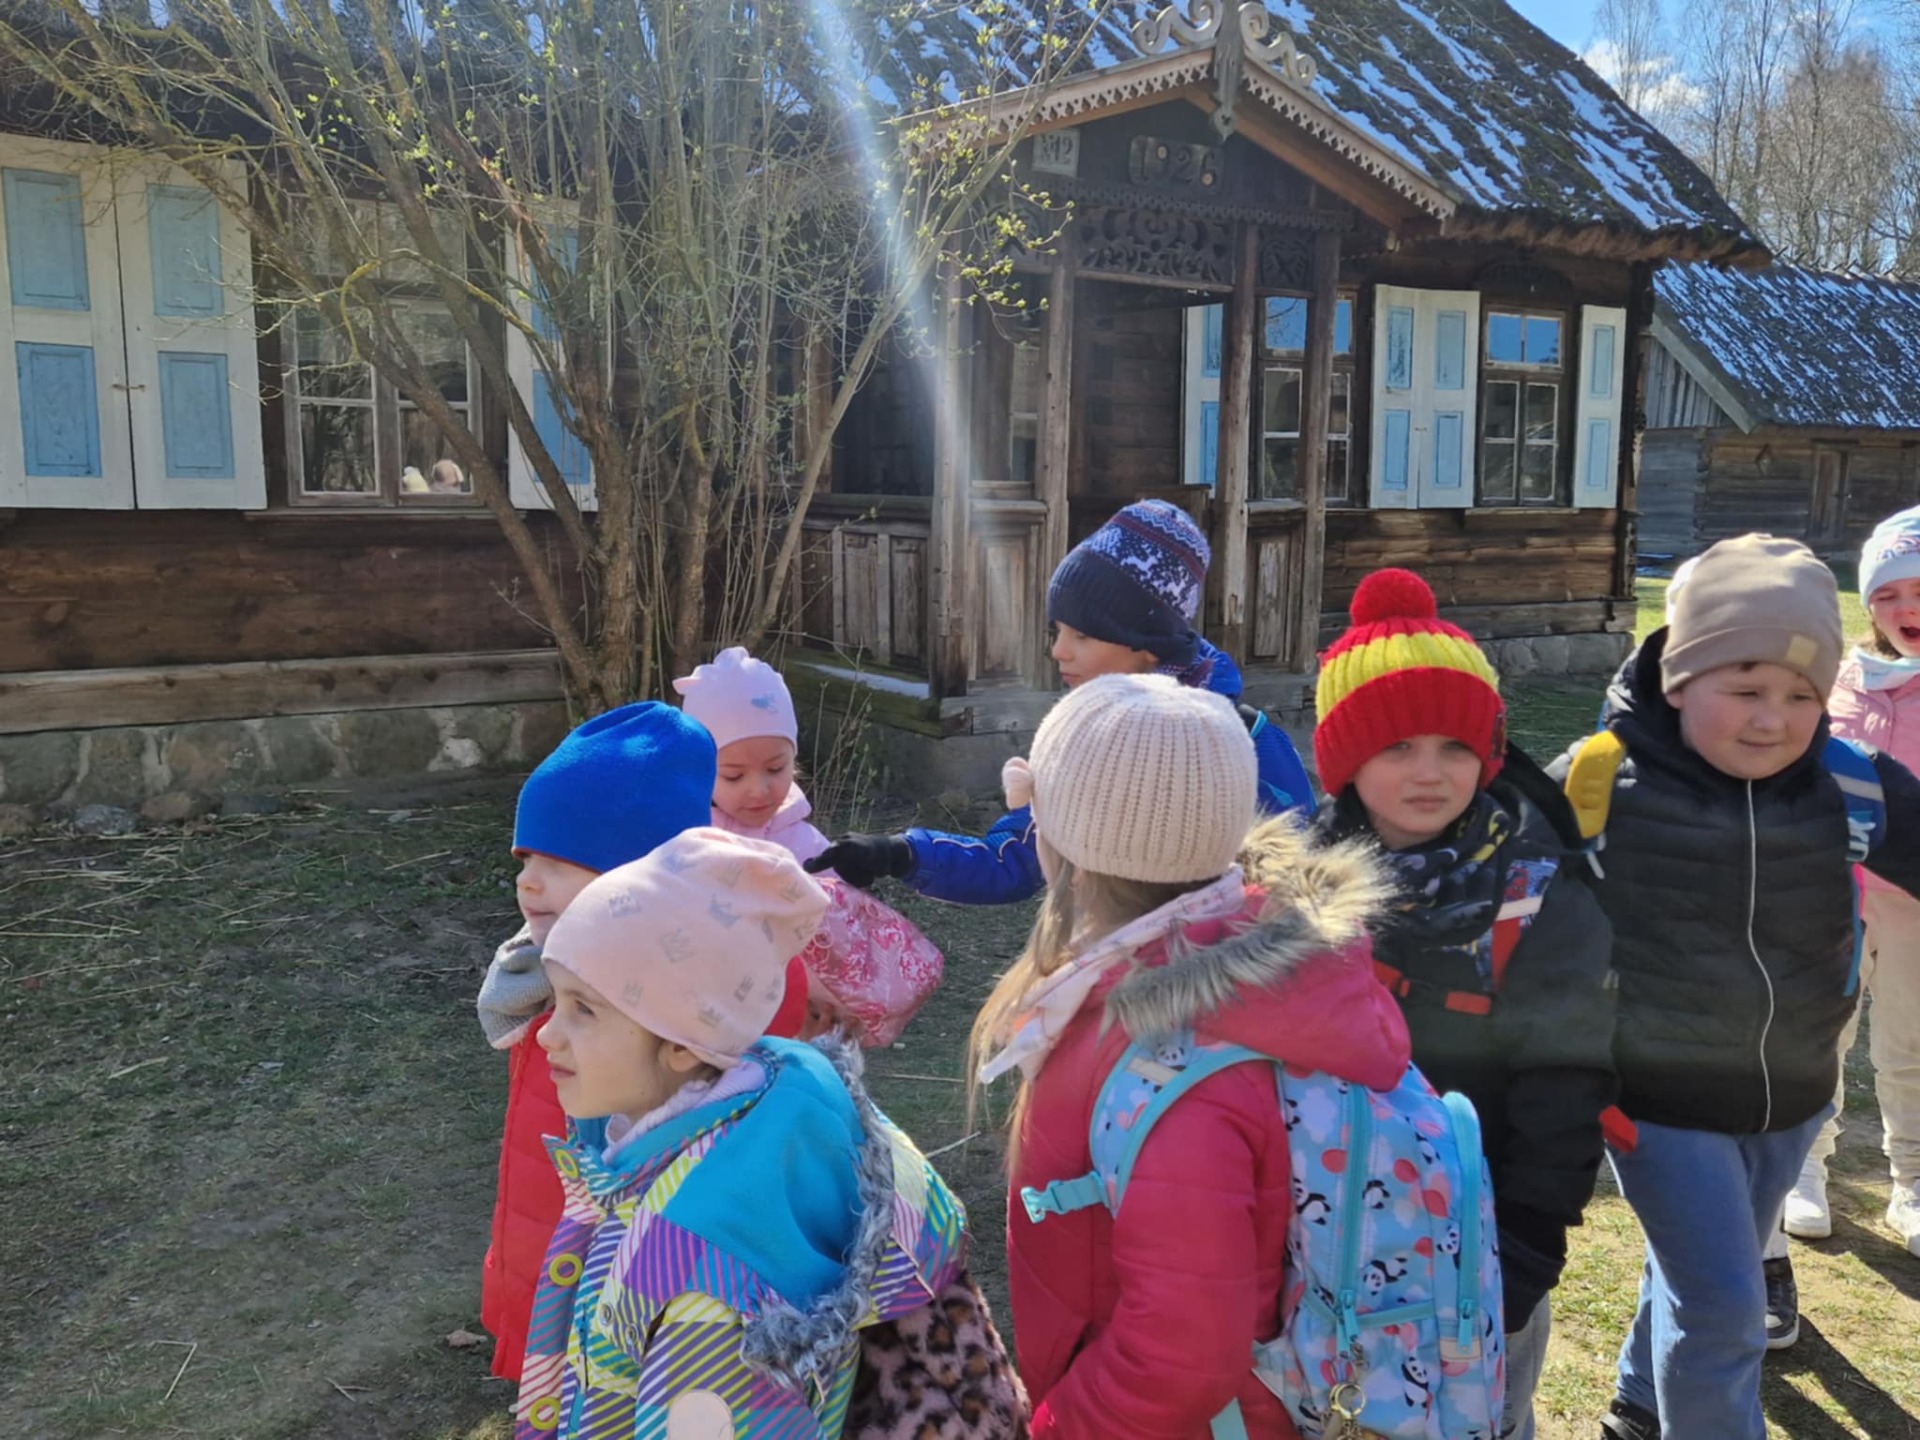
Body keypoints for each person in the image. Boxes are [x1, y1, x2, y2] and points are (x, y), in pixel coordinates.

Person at [968, 673, 1410, 1438]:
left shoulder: (1176, 1064)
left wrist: (1060, 1427)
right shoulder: (1228, 982)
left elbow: (1181, 1353)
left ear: (1064, 845)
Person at [1552, 535, 1920, 1440]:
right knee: (1724, 1310)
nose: (1773, 720)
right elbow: (1492, 902)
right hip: (1655, 1101)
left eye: (1802, 695)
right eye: (1746, 689)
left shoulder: (1852, 782)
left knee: (1699, 1273)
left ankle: (1638, 1406)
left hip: (1794, 1094)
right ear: (1679, 679)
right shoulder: (1600, 782)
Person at [516, 829, 1024, 1440]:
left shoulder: (704, 1282)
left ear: (682, 1042)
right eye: (557, 1001)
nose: (547, 1033)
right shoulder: (746, 1118)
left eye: (583, 1009)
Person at [1310, 568, 1617, 1440]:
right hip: (1331, 1229)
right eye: (1397, 747)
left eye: (1454, 746)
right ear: (1346, 761)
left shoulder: (1536, 894)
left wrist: (1525, 1250)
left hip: (1488, 1236)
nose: (1429, 773)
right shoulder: (1296, 886)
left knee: (1487, 1417)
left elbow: (1566, 1079)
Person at [473, 703, 808, 1383]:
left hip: (629, 1262)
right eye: (525, 857)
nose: (527, 881)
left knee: (609, 1379)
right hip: (545, 1228)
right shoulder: (542, 964)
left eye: (558, 862)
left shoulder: (699, 989)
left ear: (639, 880)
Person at [809, 501, 1314, 903]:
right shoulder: (1086, 741)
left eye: (1083, 635)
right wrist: (899, 853)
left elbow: (1301, 882)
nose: (1058, 651)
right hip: (1106, 975)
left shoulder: (1246, 745)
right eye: (1058, 630)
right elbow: (1012, 861)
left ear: (1147, 644)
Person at [676, 646, 944, 1045]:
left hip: (802, 1033)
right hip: (713, 1031)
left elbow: (842, 939)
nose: (759, 789)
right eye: (733, 776)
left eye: (776, 768)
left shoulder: (804, 842)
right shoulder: (688, 844)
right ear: (699, 772)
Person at [1809, 503, 1920, 1257]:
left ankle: (1911, 1180)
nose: (1905, 608)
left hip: (1915, 904)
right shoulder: (1837, 679)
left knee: (1910, 1046)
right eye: (1887, 593)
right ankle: (1804, 1169)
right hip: (1834, 900)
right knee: (1821, 1036)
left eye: (1919, 591)